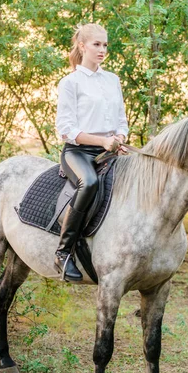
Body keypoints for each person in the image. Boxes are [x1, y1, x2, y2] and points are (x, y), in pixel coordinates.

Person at [54, 23, 129, 282]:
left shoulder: (112, 80)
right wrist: (102, 141)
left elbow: (121, 120)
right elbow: (66, 129)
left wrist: (119, 137)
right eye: (97, 44)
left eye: (105, 45)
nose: (102, 50)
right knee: (90, 183)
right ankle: (63, 252)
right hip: (78, 152)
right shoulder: (70, 82)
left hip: (110, 150)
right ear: (82, 46)